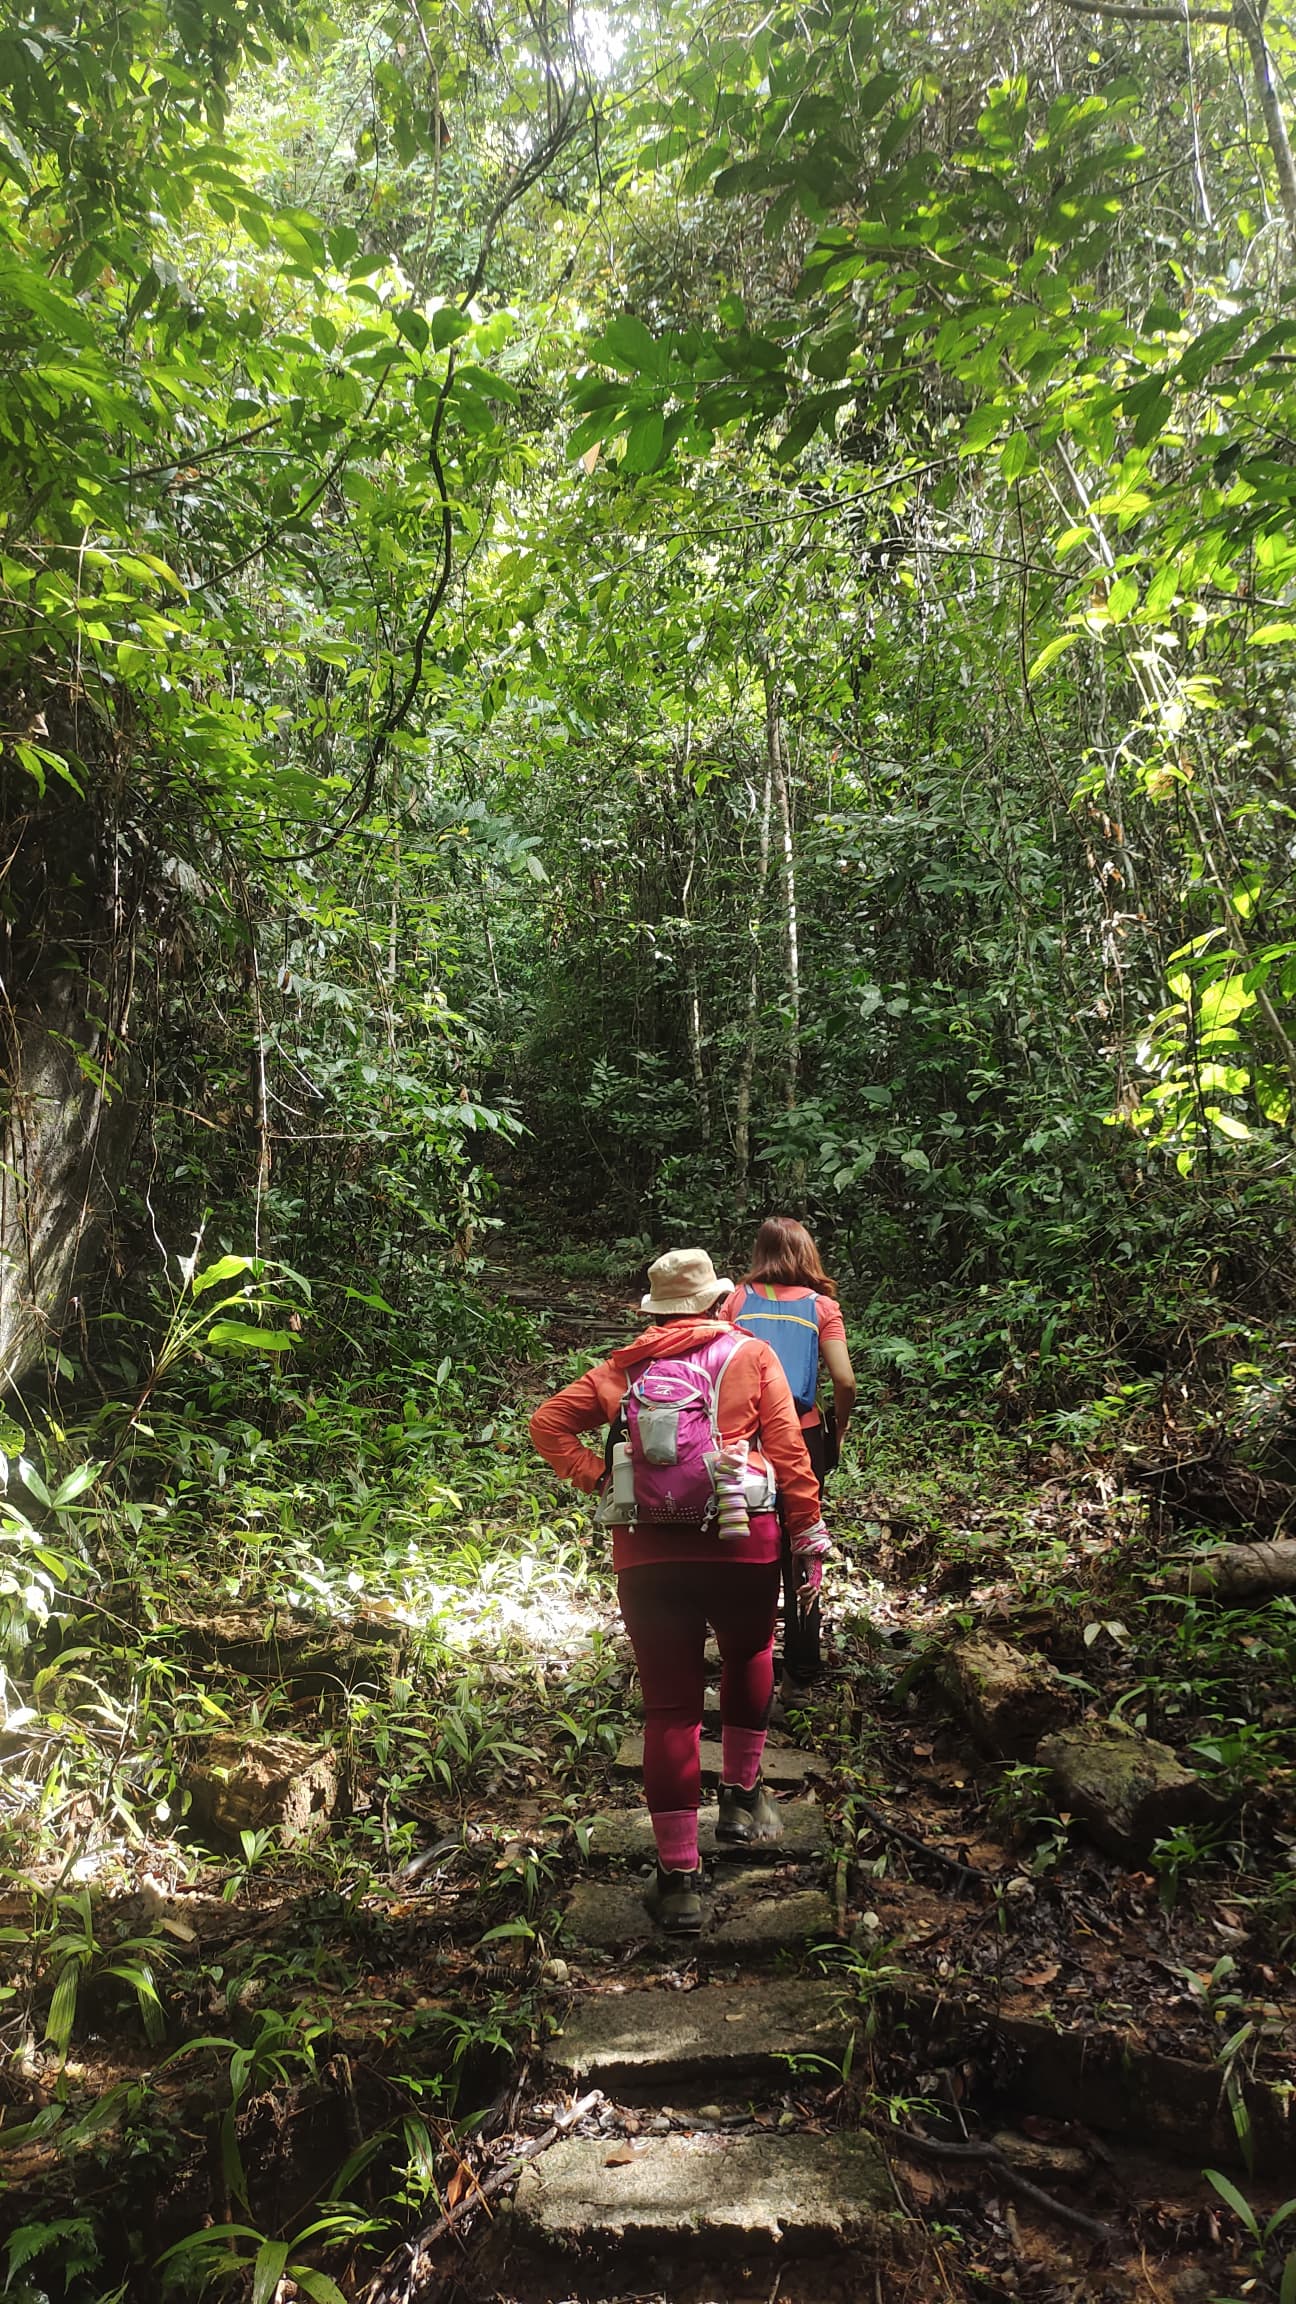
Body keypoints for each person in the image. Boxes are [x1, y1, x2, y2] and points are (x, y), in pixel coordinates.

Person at [529, 1246, 829, 1935]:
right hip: (742, 1539)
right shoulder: (752, 1355)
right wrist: (807, 1528)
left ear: (657, 1311)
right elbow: (790, 1453)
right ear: (720, 1301)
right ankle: (741, 1798)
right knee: (750, 1654)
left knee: (669, 1710)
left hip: (647, 1551)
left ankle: (678, 1880)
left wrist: (603, 1480)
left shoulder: (623, 1368)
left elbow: (547, 1424)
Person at [720, 1218, 857, 1689]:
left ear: (760, 1253)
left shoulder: (736, 1300)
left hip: (746, 1437)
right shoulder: (822, 1307)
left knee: (743, 1531)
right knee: (803, 1537)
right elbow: (844, 1380)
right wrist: (839, 1428)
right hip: (804, 1433)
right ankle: (803, 1660)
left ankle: (745, 1653)